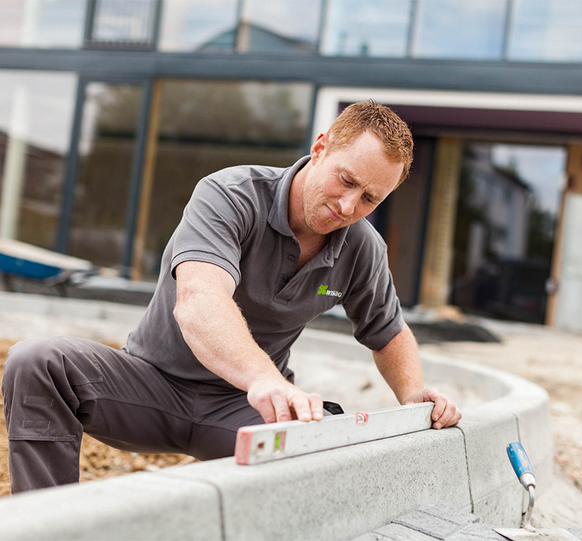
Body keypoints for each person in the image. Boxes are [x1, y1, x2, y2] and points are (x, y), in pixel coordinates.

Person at [2, 100, 461, 494]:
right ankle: (49, 519)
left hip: (245, 410)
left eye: (369, 199)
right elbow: (200, 300)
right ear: (319, 148)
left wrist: (413, 392)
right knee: (36, 361)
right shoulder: (230, 195)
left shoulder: (361, 247)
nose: (348, 206)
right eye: (346, 180)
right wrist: (263, 377)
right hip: (150, 387)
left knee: (330, 447)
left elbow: (388, 333)